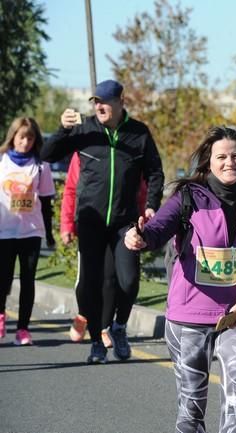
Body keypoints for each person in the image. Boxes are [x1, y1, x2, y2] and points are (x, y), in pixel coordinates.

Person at [124, 126, 236, 433]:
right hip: (189, 318)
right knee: (191, 408)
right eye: (222, 156)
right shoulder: (188, 197)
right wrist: (140, 237)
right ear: (208, 162)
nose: (230, 162)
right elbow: (158, 229)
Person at [41, 79, 164, 364]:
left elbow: (155, 173)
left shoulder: (139, 134)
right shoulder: (84, 129)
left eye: (105, 101)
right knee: (88, 285)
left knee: (128, 280)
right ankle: (97, 340)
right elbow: (47, 155)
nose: (99, 106)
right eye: (95, 101)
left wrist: (151, 206)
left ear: (121, 102)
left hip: (125, 222)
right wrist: (63, 130)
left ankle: (118, 326)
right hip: (91, 221)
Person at [62, 151, 148, 348]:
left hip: (120, 224)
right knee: (86, 280)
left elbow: (142, 190)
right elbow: (71, 188)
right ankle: (84, 314)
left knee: (110, 279)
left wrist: (144, 223)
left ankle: (104, 327)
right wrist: (67, 224)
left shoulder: (132, 151)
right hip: (91, 224)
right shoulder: (83, 150)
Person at [0, 117, 56, 345]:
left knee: (28, 280)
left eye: (30, 138)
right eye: (21, 137)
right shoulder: (2, 161)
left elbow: (46, 202)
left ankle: (23, 329)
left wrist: (50, 236)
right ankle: (1, 316)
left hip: (31, 231)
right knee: (2, 279)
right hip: (4, 231)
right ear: (13, 136)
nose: (25, 142)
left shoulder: (41, 166)